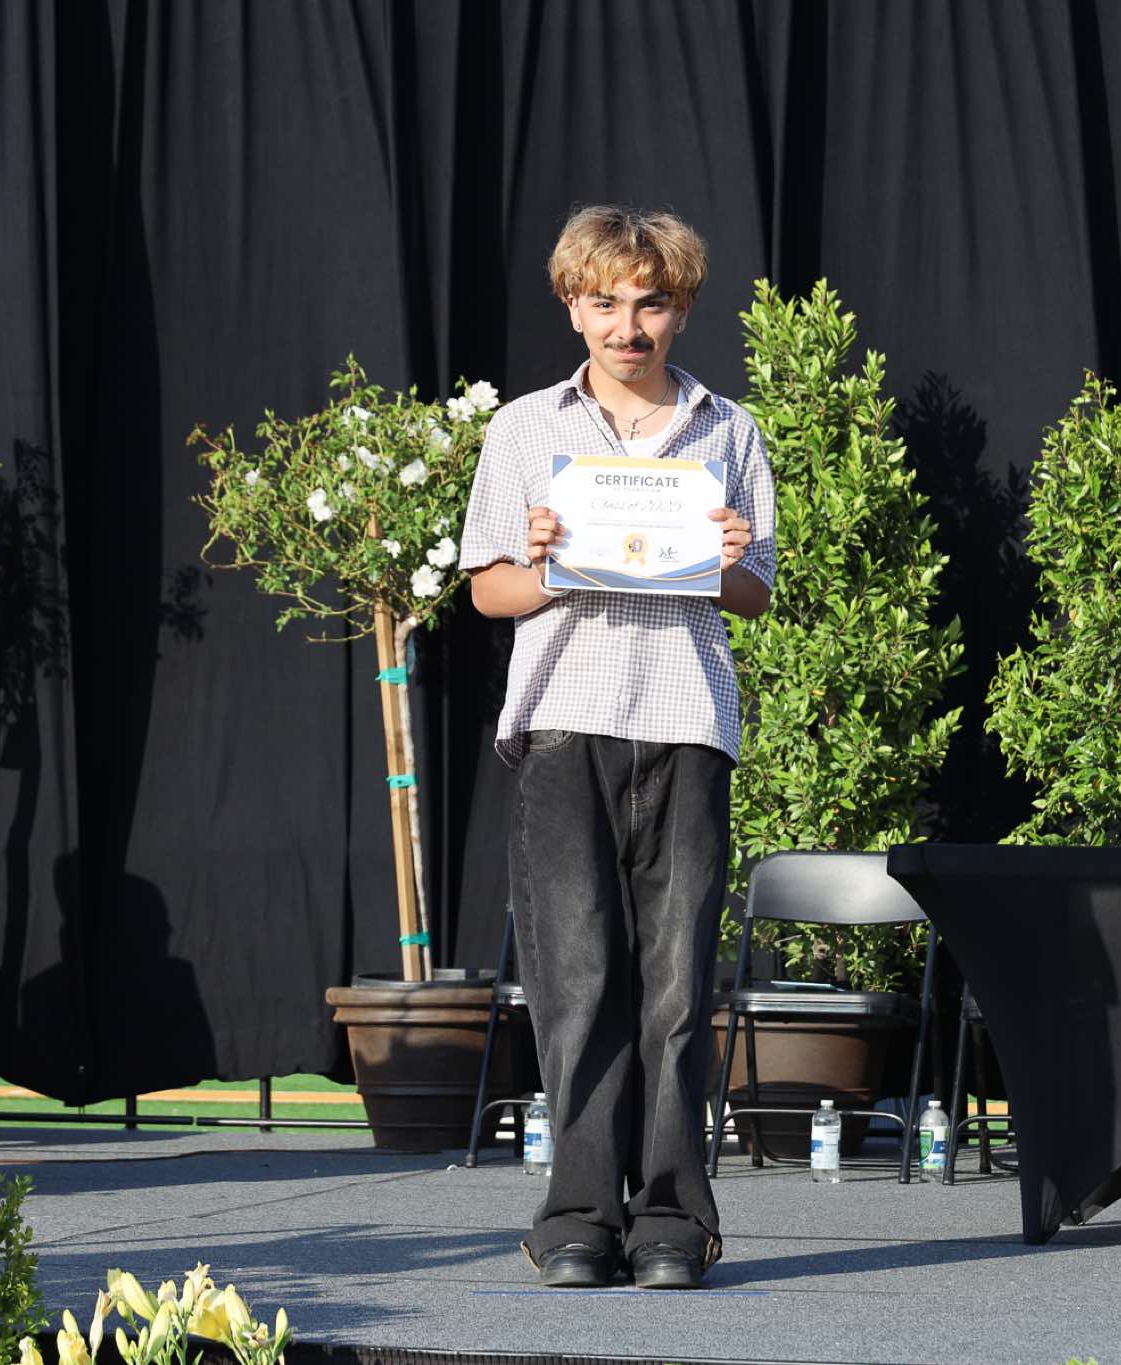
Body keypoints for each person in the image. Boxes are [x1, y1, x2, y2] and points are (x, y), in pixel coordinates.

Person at [457, 205, 775, 1290]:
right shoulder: (524, 430)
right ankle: (580, 1215)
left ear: (681, 309)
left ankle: (673, 1218)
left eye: (651, 303)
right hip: (562, 722)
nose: (627, 326)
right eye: (606, 302)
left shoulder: (727, 430)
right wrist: (546, 560)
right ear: (572, 306)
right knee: (577, 980)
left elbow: (754, 594)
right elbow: (488, 590)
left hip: (686, 722)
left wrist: (727, 557)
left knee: (676, 988)